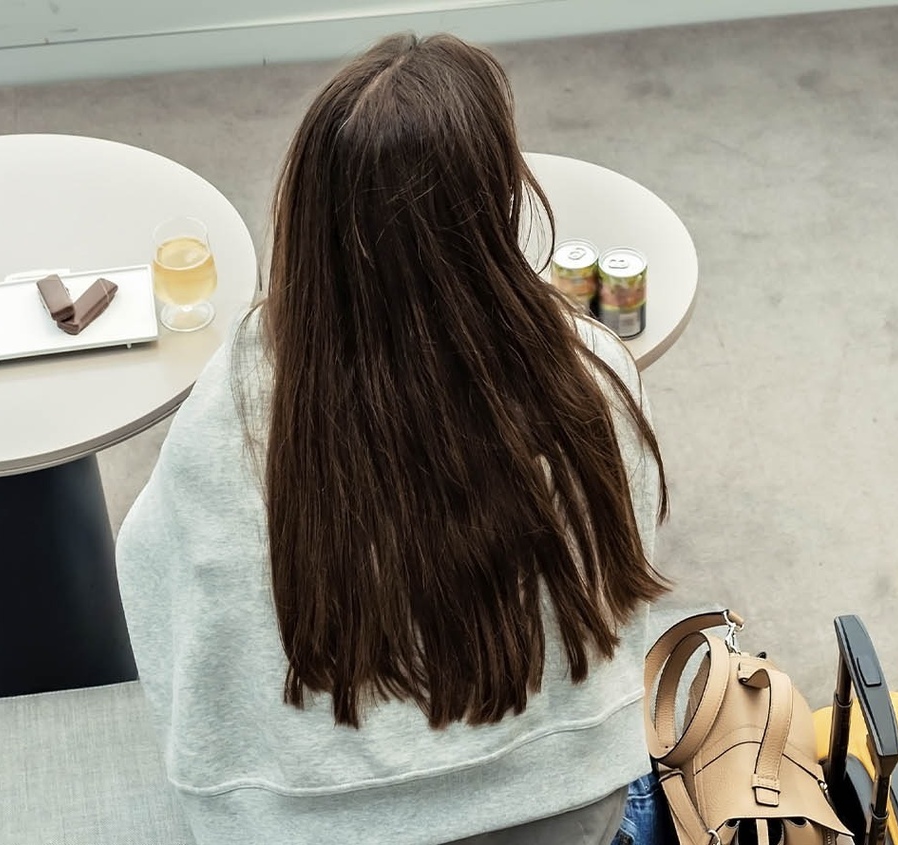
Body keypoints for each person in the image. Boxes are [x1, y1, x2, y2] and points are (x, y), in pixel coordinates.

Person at [114, 33, 672, 845]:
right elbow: (620, 573)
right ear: (494, 203)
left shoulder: (232, 400)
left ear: (308, 212)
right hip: (560, 816)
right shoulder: (591, 371)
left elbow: (158, 579)